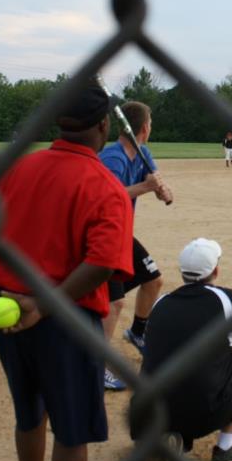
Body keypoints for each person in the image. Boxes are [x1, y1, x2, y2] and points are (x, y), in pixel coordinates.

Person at [0, 80, 132, 461]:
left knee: (29, 414)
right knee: (72, 430)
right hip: (63, 315)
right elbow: (102, 264)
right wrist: (44, 302)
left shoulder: (16, 168)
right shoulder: (106, 185)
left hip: (4, 309)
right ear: (103, 125)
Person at [137, 238, 232, 461]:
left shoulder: (160, 302)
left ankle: (168, 435)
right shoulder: (226, 299)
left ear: (181, 272)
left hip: (146, 415)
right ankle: (227, 448)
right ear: (215, 271)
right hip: (204, 411)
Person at [98, 101, 173, 390]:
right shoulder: (113, 157)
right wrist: (147, 186)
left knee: (153, 280)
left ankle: (138, 332)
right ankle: (96, 364)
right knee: (115, 302)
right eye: (150, 123)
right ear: (143, 128)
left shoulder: (142, 153)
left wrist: (162, 189)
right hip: (103, 235)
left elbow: (155, 181)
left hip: (122, 235)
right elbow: (109, 197)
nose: (151, 128)